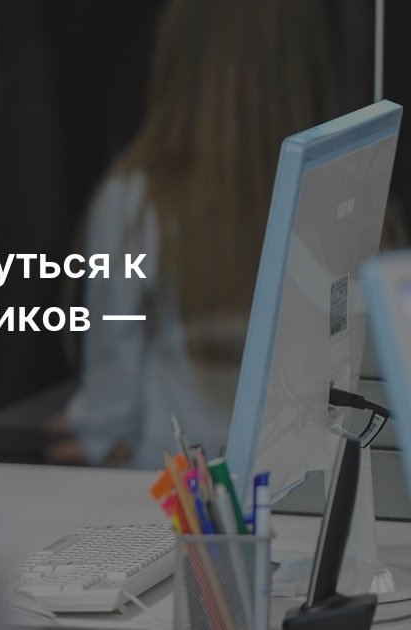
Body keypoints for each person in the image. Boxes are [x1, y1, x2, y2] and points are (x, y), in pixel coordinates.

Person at [47, 0, 340, 468]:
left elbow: (111, 412)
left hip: (174, 488)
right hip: (306, 482)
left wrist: (89, 425)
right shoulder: (347, 199)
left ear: (175, 59)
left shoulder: (138, 202)